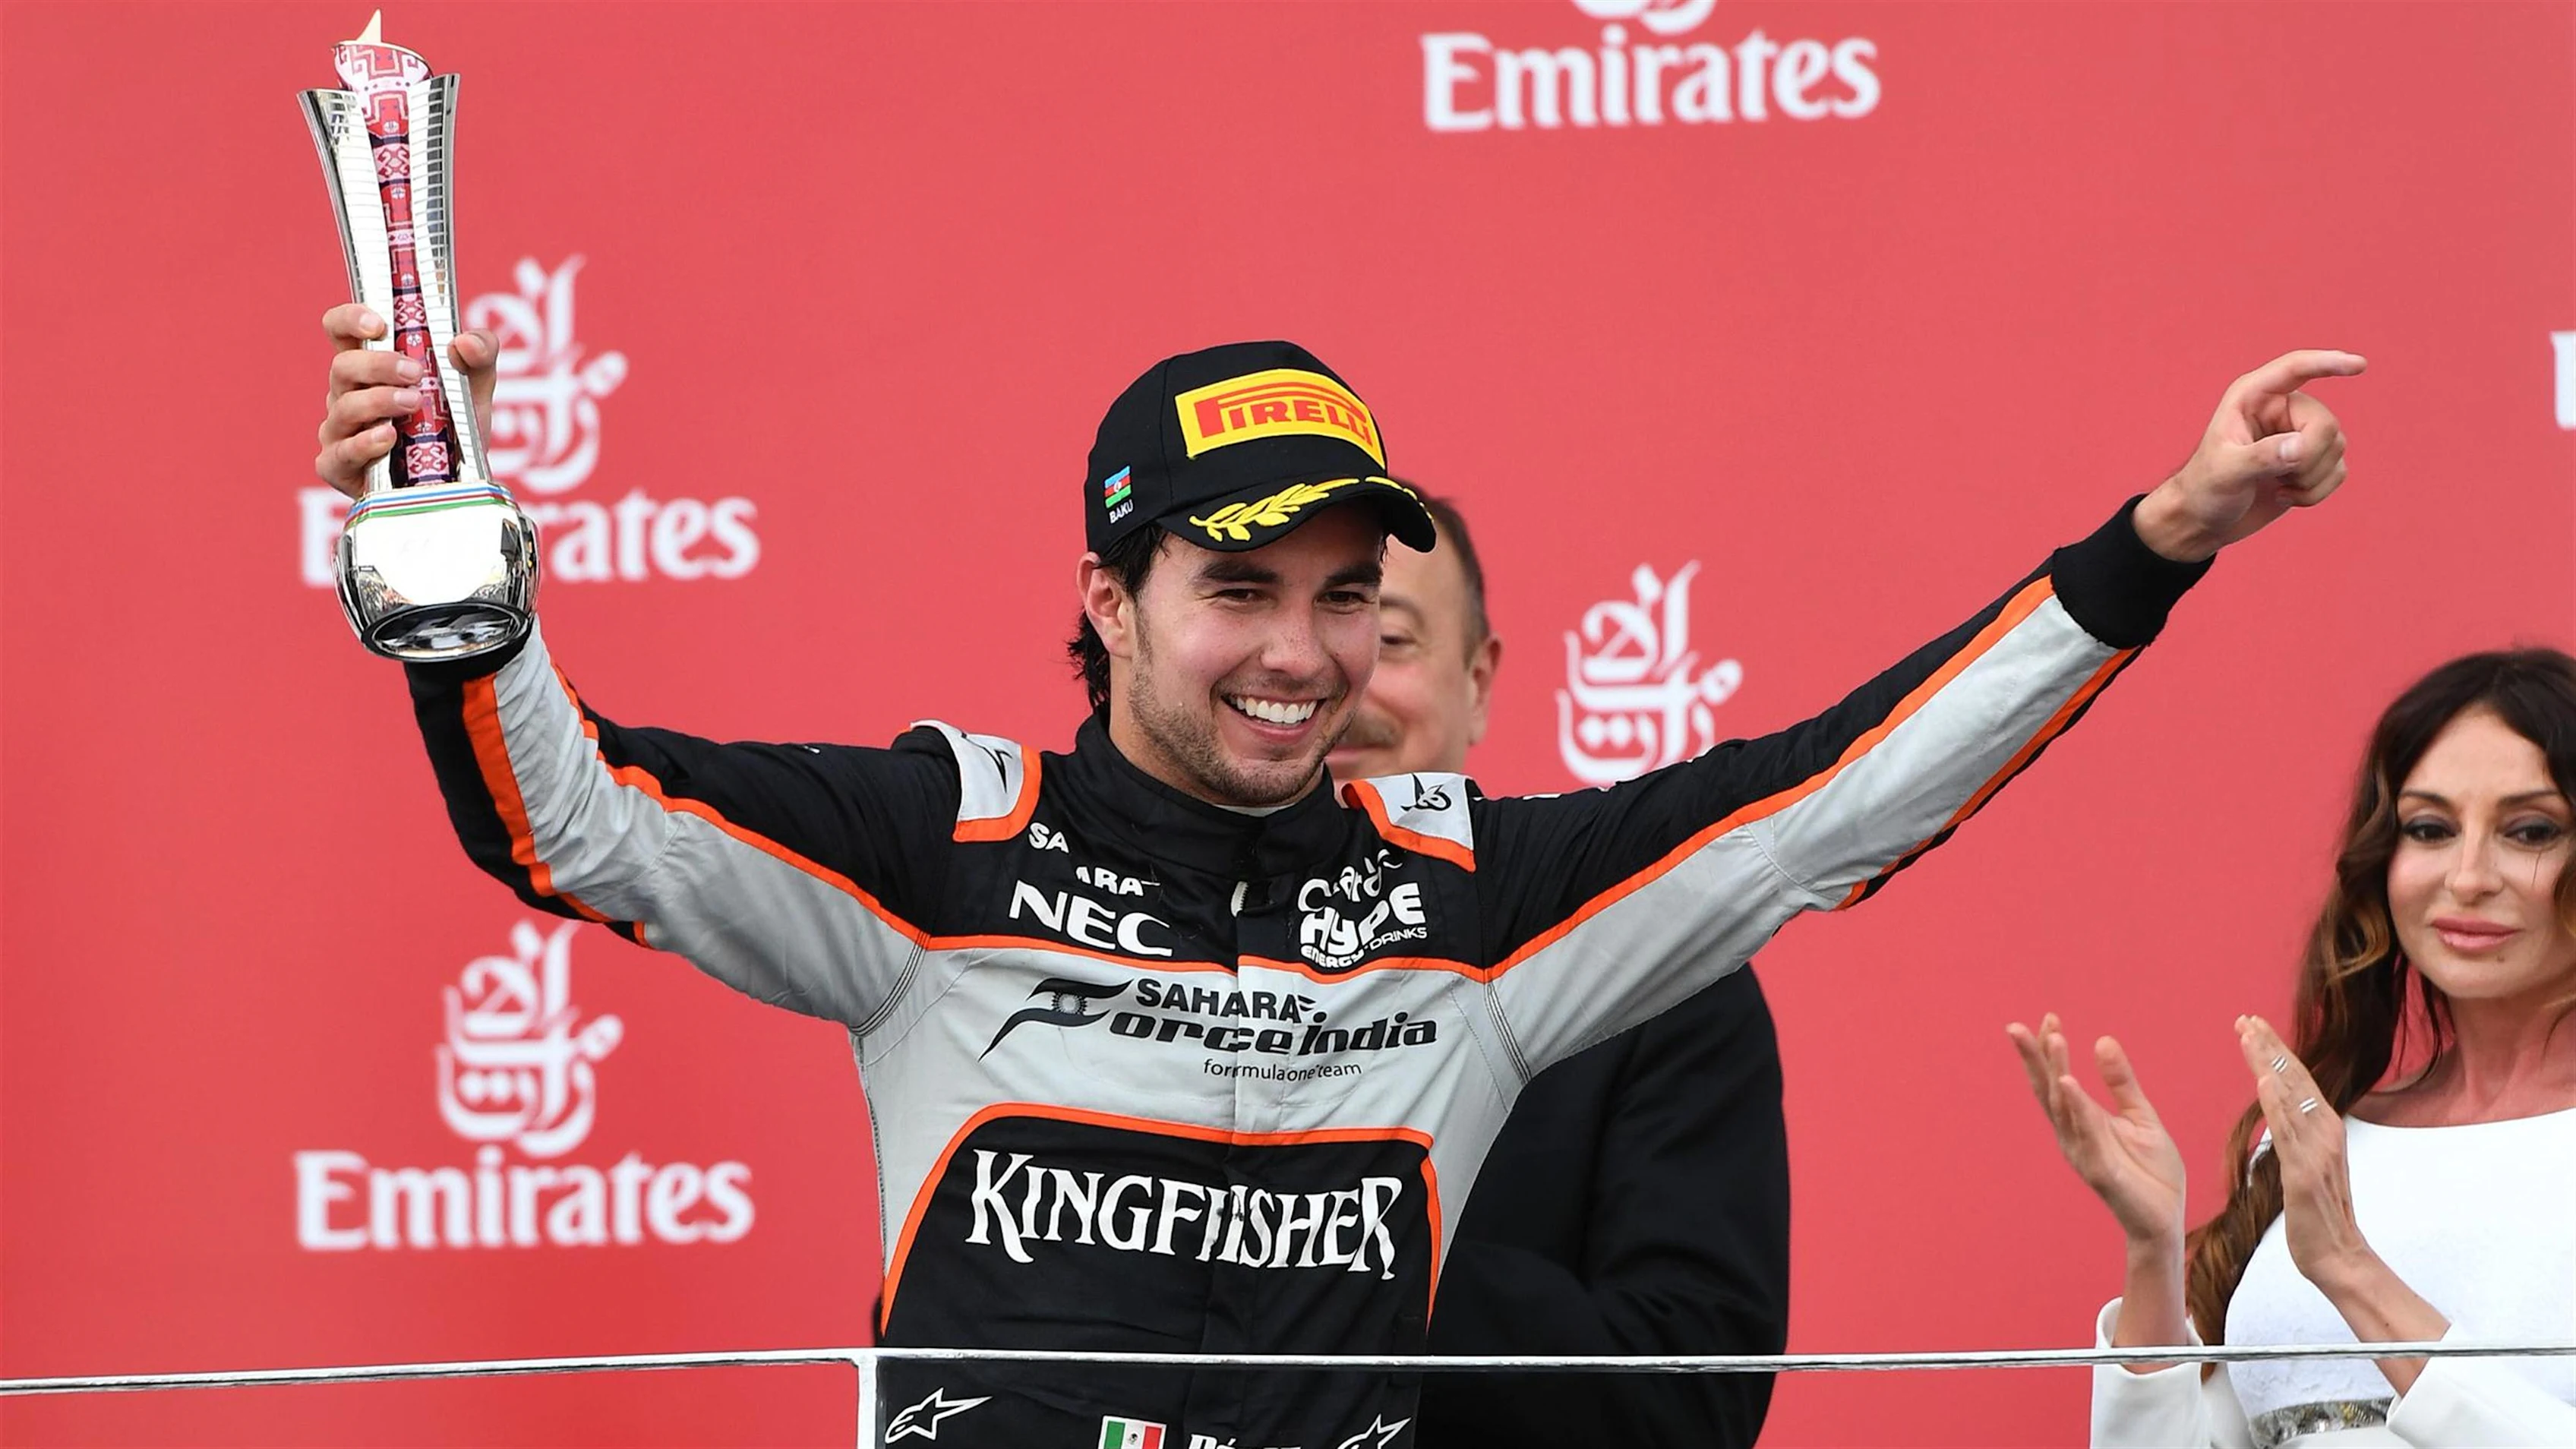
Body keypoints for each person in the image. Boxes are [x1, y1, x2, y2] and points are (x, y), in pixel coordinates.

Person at [317, 305, 2358, 1447]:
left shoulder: (1481, 897)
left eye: (1346, 599)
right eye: (1236, 590)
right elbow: (564, 822)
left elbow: (1838, 799)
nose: (1302, 652)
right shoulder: (938, 847)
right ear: (1108, 600)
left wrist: (2158, 537)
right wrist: (456, 550)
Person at [2009, 649, 2576, 1447]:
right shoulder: (2318, 1143)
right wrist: (2151, 1254)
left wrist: (2353, 1275)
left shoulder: (2329, 1196)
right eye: (2428, 828)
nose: (2467, 875)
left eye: (2529, 831)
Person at [1324, 494, 1789, 1449]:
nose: (1335, 680)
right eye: (1295, 629)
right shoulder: (1095, 958)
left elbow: (1695, 1394)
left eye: (1391, 637)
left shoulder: (1653, 978)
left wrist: (1331, 1255)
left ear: (1479, 680)